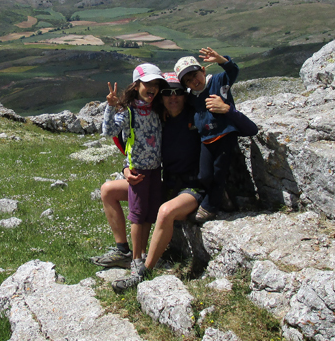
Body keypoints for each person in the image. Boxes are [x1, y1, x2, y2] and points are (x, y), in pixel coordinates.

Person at [110, 72, 206, 292]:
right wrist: (126, 168)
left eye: (178, 93)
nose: (173, 98)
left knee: (164, 212)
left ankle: (142, 271)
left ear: (186, 95)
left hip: (191, 187)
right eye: (167, 93)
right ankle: (124, 251)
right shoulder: (158, 119)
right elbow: (136, 144)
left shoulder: (197, 118)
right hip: (164, 182)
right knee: (108, 190)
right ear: (161, 98)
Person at [97, 63, 165, 272]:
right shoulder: (129, 111)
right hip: (138, 172)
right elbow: (109, 131)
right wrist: (110, 106)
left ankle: (141, 256)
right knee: (138, 215)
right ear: (136, 85)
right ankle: (133, 258)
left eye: (156, 84)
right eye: (147, 83)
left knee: (146, 216)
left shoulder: (158, 108)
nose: (152, 88)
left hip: (155, 172)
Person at [175, 47, 238, 223]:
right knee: (204, 175)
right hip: (206, 139)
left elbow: (233, 71)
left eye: (194, 75)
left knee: (218, 172)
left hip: (224, 135)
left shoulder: (218, 82)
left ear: (203, 70)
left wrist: (222, 60)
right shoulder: (192, 97)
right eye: (188, 80)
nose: (193, 81)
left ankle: (210, 207)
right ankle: (222, 197)